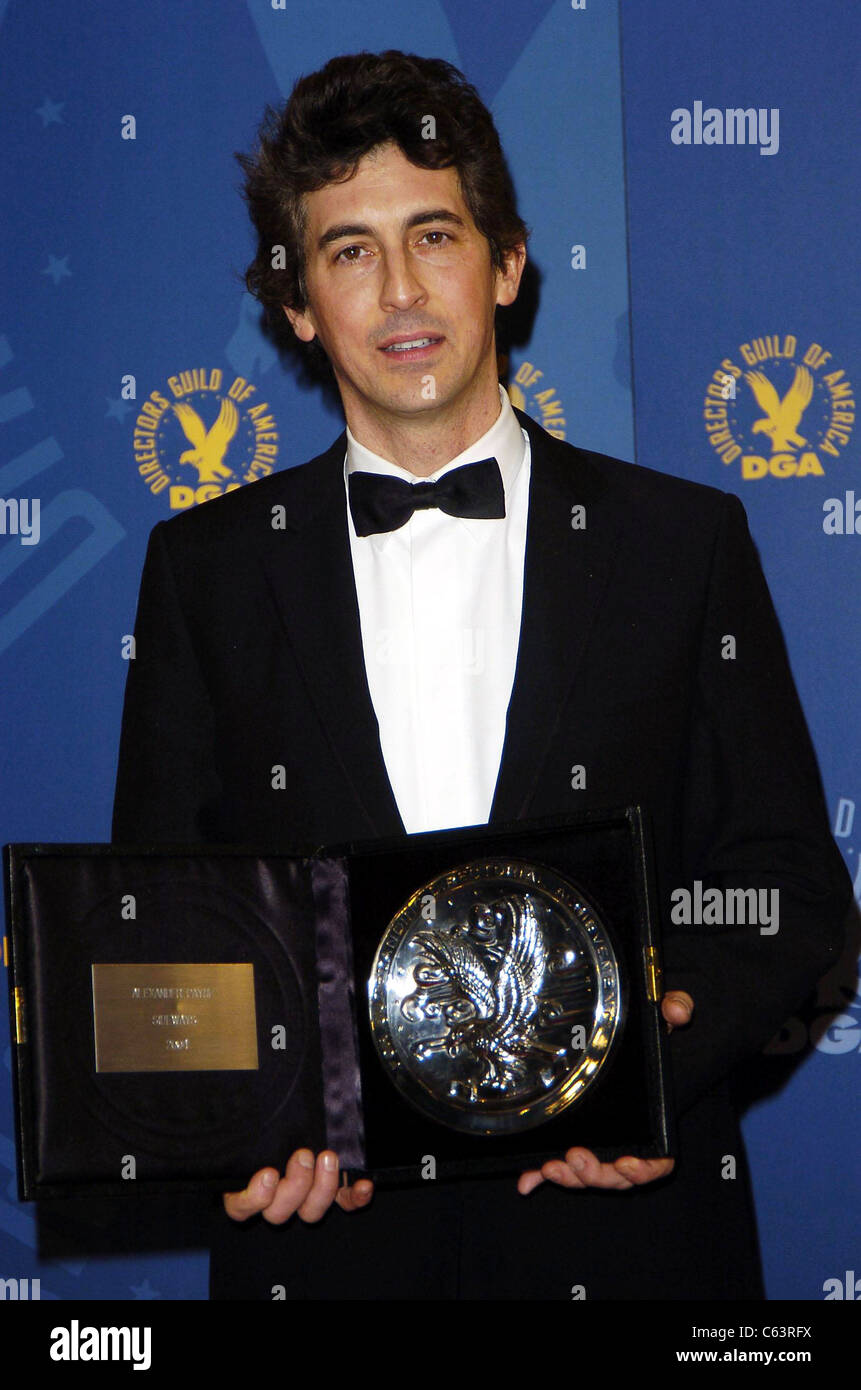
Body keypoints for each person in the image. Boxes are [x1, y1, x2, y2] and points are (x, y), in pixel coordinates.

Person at [112, 50, 851, 1299]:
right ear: (298, 304)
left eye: (434, 235)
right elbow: (162, 918)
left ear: (507, 264)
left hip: (627, 1240)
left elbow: (787, 886)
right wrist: (234, 1127)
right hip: (328, 1254)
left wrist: (656, 1062)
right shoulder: (206, 572)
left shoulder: (682, 544)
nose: (400, 289)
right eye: (350, 250)